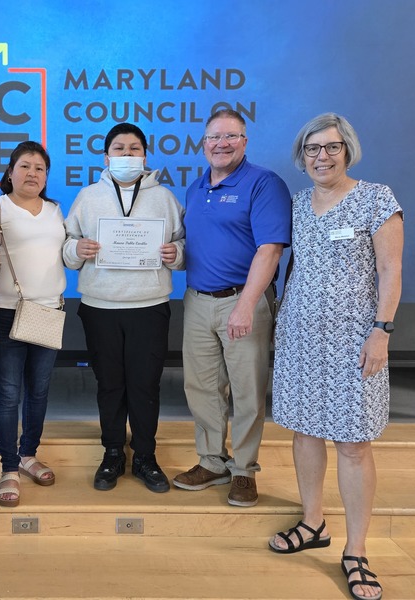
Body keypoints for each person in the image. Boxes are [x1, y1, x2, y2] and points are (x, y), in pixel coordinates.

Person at [268, 113, 403, 600]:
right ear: (301, 157)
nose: (321, 156)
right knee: (305, 432)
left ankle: (357, 551)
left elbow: (391, 270)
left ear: (348, 150)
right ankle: (313, 523)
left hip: (355, 342)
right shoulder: (297, 205)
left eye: (331, 147)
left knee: (353, 444)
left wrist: (381, 332)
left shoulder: (376, 199)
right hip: (301, 338)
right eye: (312, 149)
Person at [175, 108, 291, 507]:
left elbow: (270, 249)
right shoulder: (195, 188)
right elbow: (198, 245)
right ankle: (212, 461)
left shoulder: (264, 183)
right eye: (214, 137)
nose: (221, 144)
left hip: (243, 301)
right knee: (202, 387)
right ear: (203, 143)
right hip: (197, 301)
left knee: (246, 390)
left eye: (230, 137)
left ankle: (243, 470)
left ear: (244, 142)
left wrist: (246, 305)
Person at [63, 122, 185, 493]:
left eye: (134, 149)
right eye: (119, 148)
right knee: (110, 384)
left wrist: (176, 253)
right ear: (106, 157)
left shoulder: (164, 197)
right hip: (99, 306)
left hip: (149, 305)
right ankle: (113, 452)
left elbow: (183, 243)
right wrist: (76, 249)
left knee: (145, 385)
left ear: (145, 156)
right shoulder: (87, 196)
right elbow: (67, 245)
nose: (127, 154)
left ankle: (145, 455)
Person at [0, 141, 66, 507]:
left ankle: (28, 454)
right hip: (4, 312)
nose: (33, 173)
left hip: (48, 311)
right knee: (9, 393)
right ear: (10, 172)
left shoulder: (55, 210)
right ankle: (9, 467)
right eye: (25, 166)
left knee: (39, 391)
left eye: (40, 168)